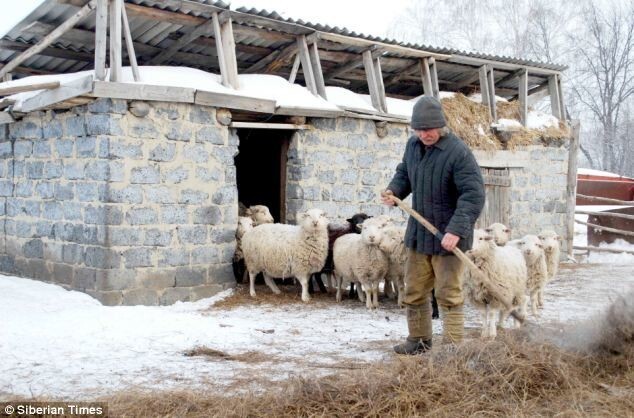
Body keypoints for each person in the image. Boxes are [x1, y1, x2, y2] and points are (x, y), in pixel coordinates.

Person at [381, 96, 485, 355]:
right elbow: (405, 173)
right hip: (419, 234)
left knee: (448, 293)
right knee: (414, 290)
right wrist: (394, 190)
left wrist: (456, 230)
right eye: (419, 129)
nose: (424, 134)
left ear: (441, 125)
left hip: (448, 236)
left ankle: (451, 349)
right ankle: (419, 340)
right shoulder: (413, 146)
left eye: (429, 129)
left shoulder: (458, 152)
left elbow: (473, 195)